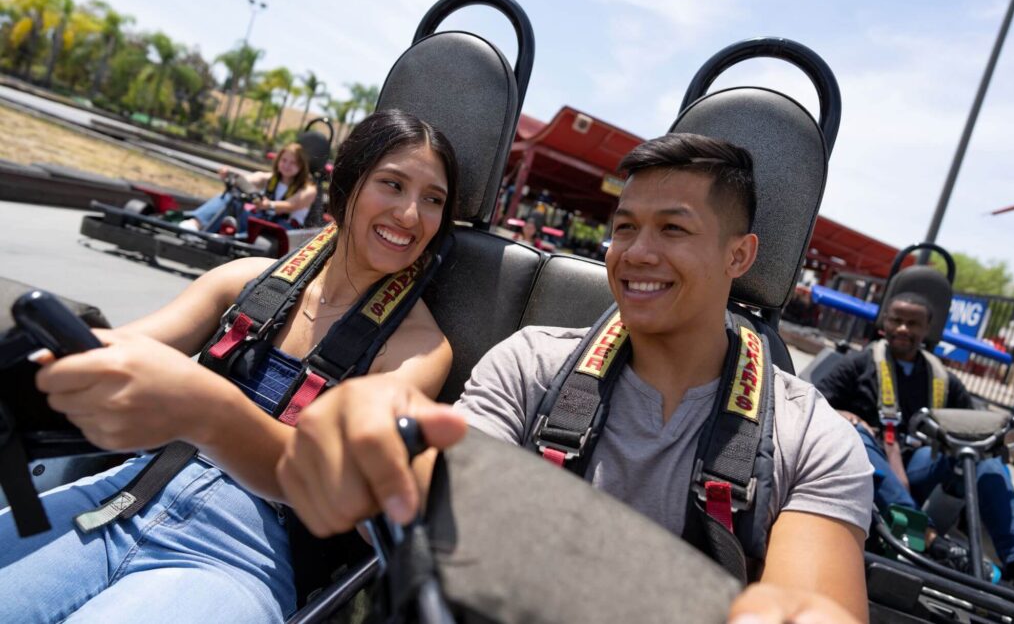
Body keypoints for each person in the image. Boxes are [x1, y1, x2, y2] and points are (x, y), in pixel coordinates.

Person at [277, 133, 875, 623]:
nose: (637, 252)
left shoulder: (810, 440)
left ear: (739, 257)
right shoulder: (531, 365)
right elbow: (440, 505)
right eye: (624, 228)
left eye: (673, 229)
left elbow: (815, 607)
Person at [0, 110, 459, 622]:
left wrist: (206, 409)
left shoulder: (420, 349)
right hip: (122, 498)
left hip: (237, 559)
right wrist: (39, 354)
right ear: (347, 185)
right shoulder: (245, 278)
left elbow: (334, 479)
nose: (411, 215)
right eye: (392, 185)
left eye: (433, 199)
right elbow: (116, 350)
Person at [816, 292, 1014, 583]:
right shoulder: (858, 364)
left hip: (921, 465)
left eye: (913, 324)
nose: (903, 329)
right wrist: (845, 416)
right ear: (885, 322)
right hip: (871, 465)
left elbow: (974, 426)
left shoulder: (943, 379)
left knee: (982, 456)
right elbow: (812, 402)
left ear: (926, 329)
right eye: (897, 321)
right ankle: (927, 539)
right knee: (854, 435)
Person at [180, 141, 318, 233]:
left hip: (282, 230)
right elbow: (250, 179)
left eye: (293, 162)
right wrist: (232, 176)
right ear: (278, 161)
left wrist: (268, 205)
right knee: (232, 198)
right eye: (284, 160)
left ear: (301, 166)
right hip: (261, 221)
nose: (287, 165)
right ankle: (196, 224)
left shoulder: (308, 189)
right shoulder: (271, 178)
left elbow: (290, 205)